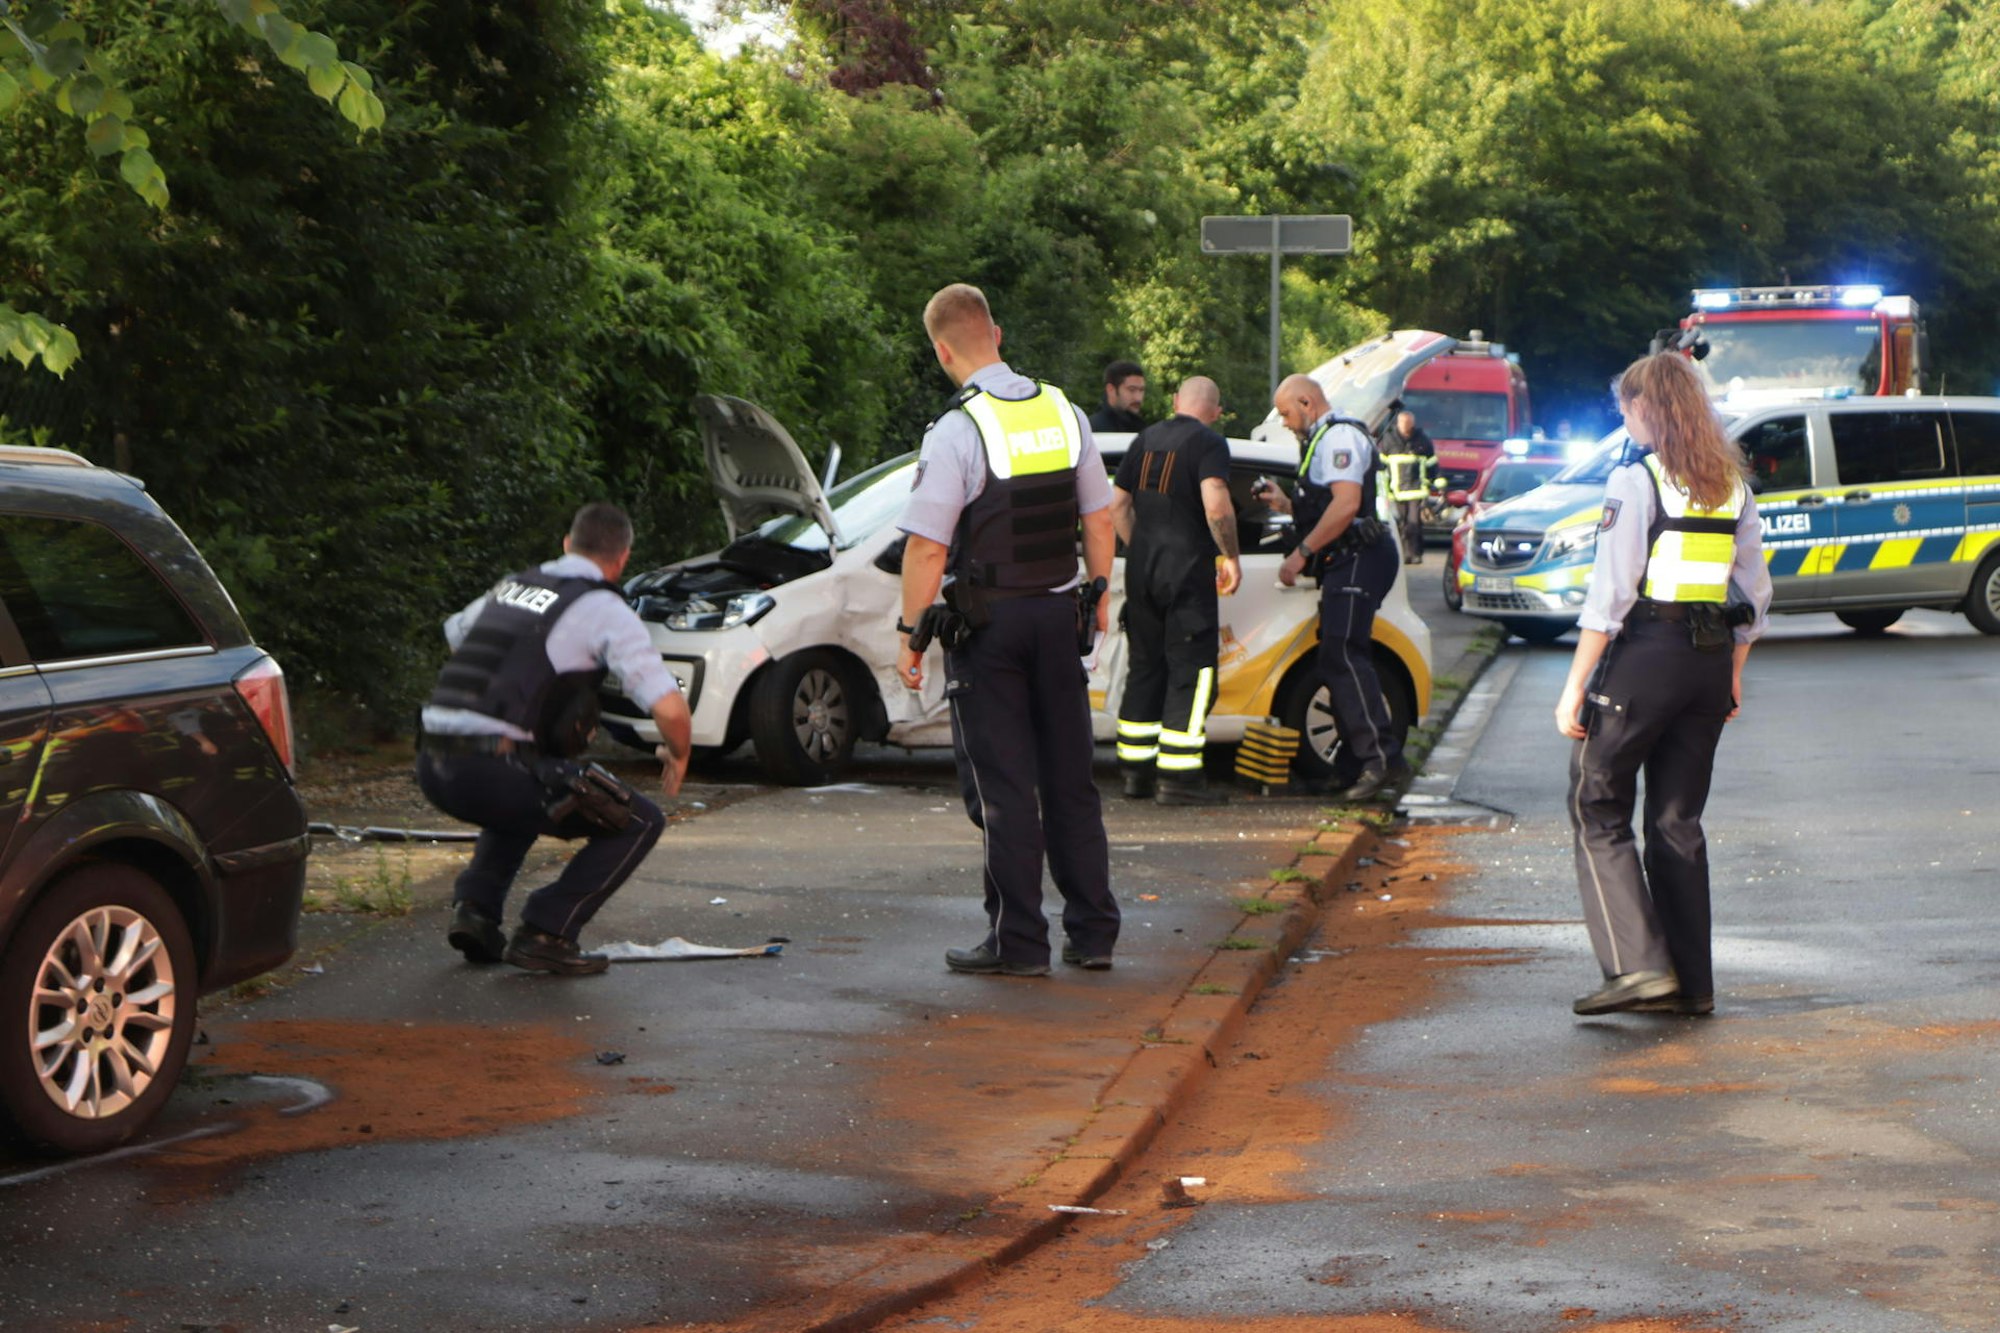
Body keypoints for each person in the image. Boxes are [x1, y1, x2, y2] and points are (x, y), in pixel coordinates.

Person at [896, 282, 1121, 978]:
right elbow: (1100, 516)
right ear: (996, 331)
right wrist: (1100, 593)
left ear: (943, 350)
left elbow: (928, 548)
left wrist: (911, 635)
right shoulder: (1066, 411)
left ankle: (1018, 941)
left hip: (989, 631)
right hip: (1059, 618)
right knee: (1070, 781)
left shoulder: (957, 429)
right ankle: (1092, 933)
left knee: (1002, 790)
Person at [1555, 352, 1772, 1017]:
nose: (1624, 417)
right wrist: (1732, 676)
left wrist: (1574, 685)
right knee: (1678, 819)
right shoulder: (1730, 482)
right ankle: (1693, 983)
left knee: (1596, 800)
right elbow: (1756, 593)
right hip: (1706, 664)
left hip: (1647, 653)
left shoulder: (1636, 478)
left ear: (1646, 407)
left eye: (1625, 406)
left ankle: (1639, 967)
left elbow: (1612, 594)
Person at [416, 503, 693, 976]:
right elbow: (668, 706)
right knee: (637, 821)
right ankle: (548, 932)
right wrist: (679, 753)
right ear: (622, 558)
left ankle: (476, 912)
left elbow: (456, 633)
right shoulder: (604, 607)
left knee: (536, 781)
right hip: (489, 772)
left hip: (432, 762)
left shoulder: (515, 586)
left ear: (567, 543)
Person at [1265, 373, 1410, 801]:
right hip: (1347, 560)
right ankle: (1351, 766)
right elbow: (1327, 505)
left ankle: (1383, 762)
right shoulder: (1323, 440)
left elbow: (1346, 506)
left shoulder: (1339, 437)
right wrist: (1284, 504)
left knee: (1343, 654)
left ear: (1307, 403)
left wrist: (1300, 553)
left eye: (1289, 413)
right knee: (1335, 659)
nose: (1288, 423)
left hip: (1359, 558)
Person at [1108, 375, 1242, 804]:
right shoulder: (1209, 444)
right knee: (1193, 672)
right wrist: (1230, 557)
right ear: (1215, 411)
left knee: (1145, 667)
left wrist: (1143, 548)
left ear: (1175, 401)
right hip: (1187, 575)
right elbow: (1215, 501)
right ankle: (1179, 780)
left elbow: (1117, 505)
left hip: (1142, 573)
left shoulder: (1144, 439)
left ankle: (1135, 774)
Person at [1378, 408, 1435, 564]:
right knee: (1402, 524)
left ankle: (1415, 553)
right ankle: (1405, 554)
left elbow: (1432, 464)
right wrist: (1384, 490)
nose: (1405, 426)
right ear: (1398, 423)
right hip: (1396, 491)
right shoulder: (1389, 440)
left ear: (1413, 424)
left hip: (1417, 491)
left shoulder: (1422, 440)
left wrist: (1437, 485)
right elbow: (1381, 466)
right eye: (1403, 423)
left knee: (1414, 524)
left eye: (1408, 423)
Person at [1089, 359, 1147, 434]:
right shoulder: (1092, 430)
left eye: (1141, 390)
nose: (1138, 398)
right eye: (1131, 390)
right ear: (1111, 390)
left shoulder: (1141, 428)